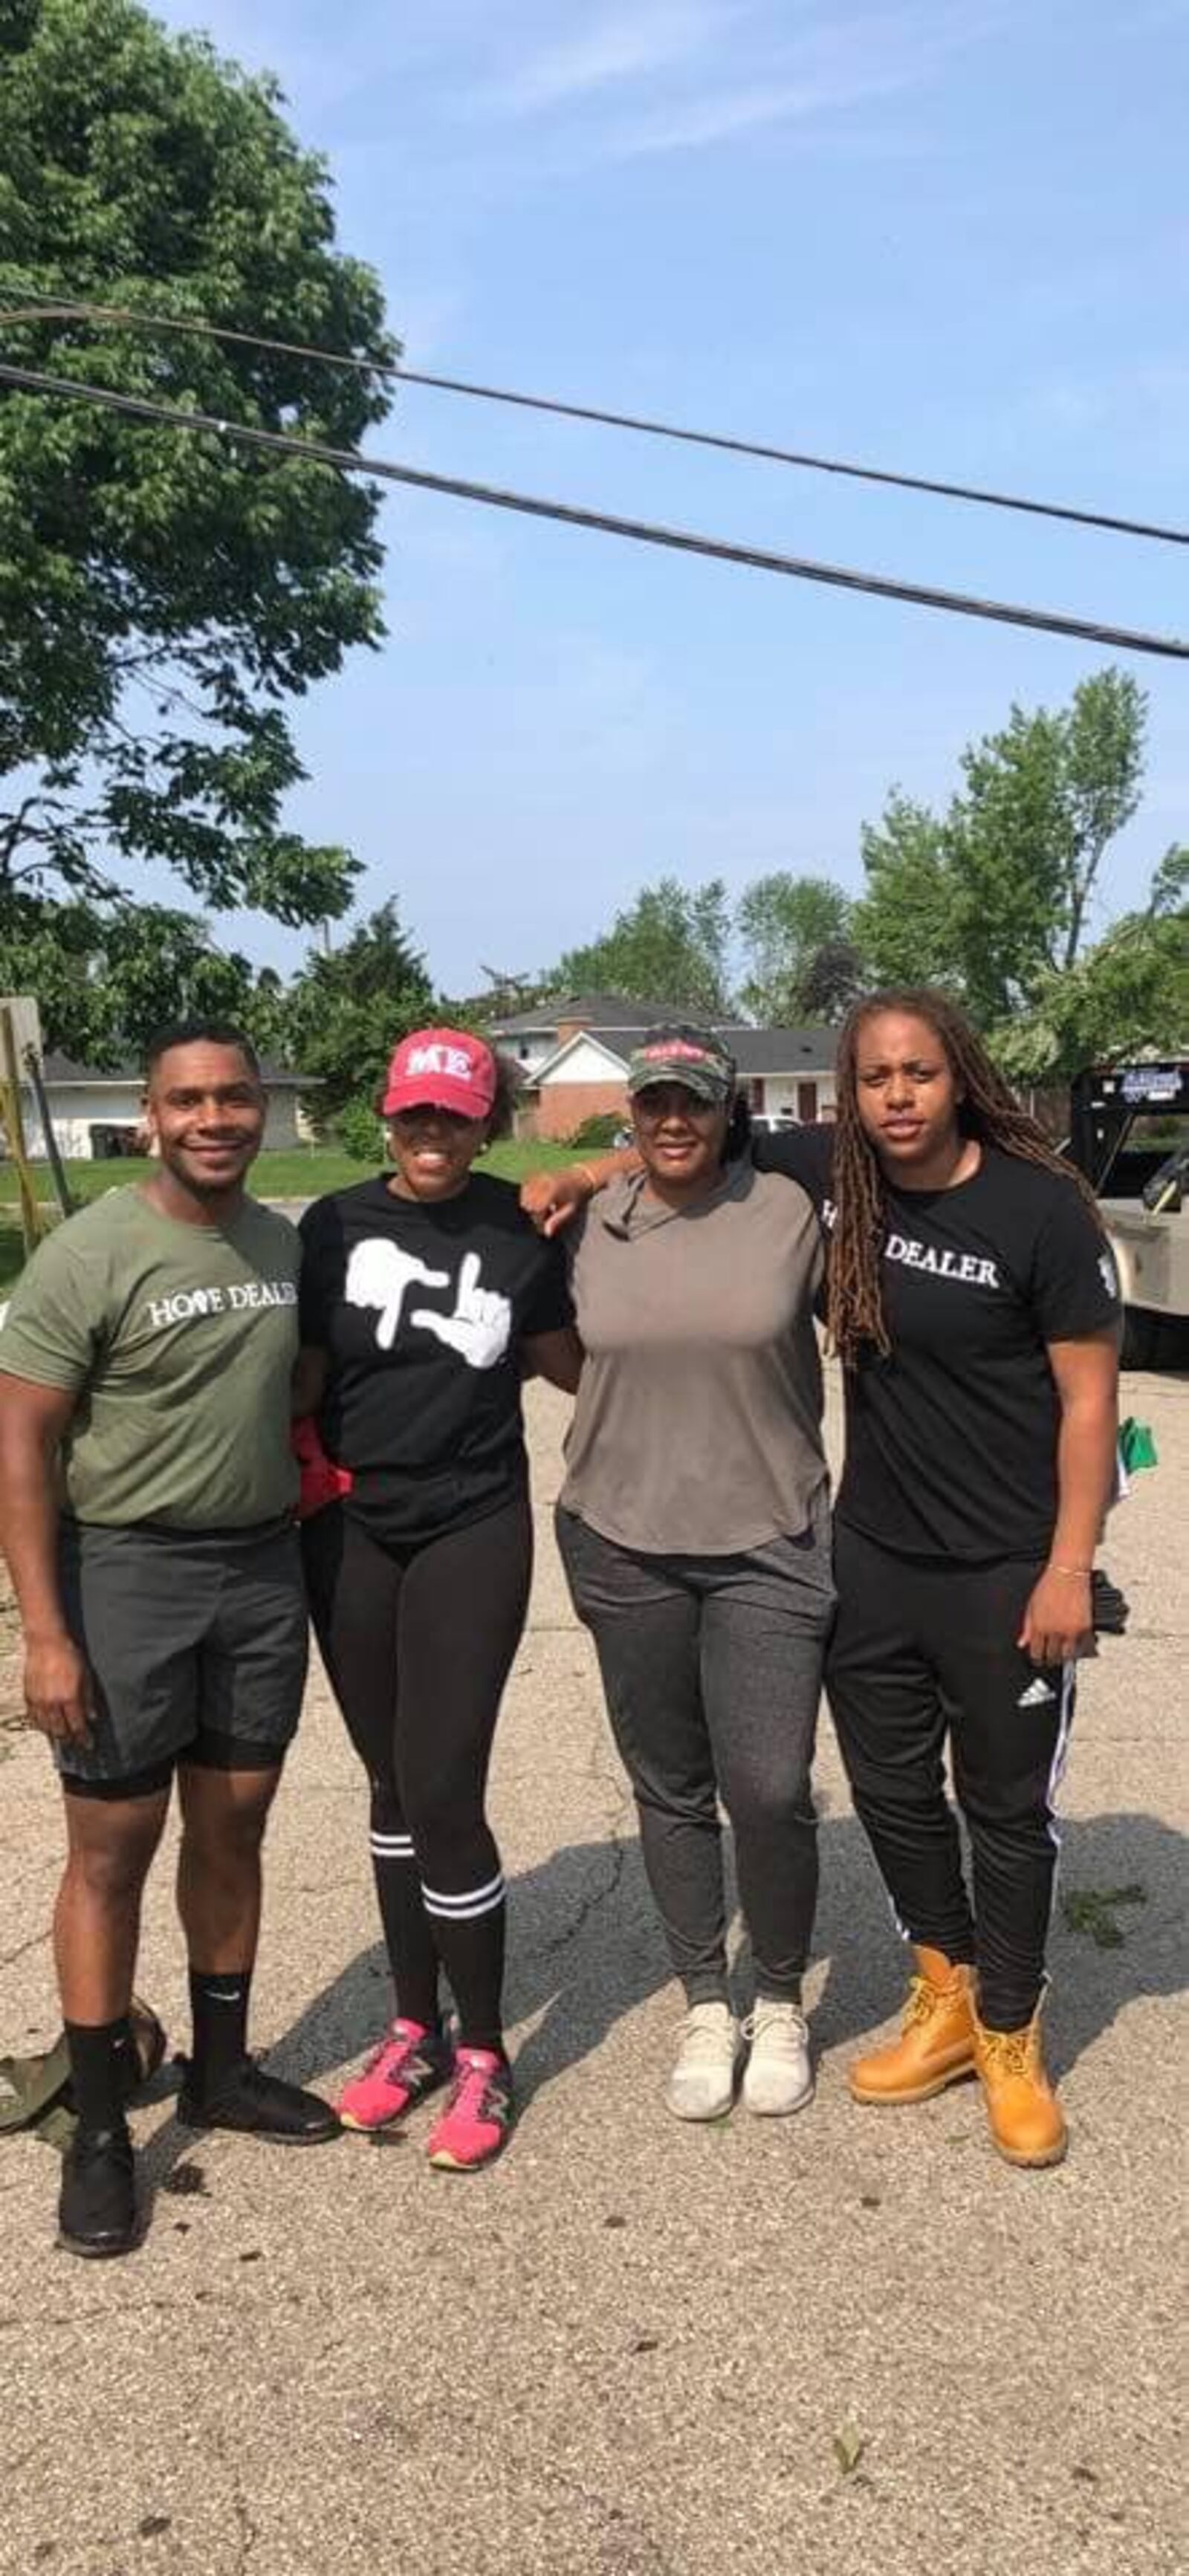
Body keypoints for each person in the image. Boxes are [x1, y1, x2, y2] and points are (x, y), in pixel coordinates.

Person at [525, 990, 1121, 2167]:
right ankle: (944, 1998)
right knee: (895, 1798)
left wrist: (1069, 1566)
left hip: (1008, 1561)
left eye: (920, 1075)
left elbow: (1092, 1400)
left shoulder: (1040, 1209)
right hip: (876, 1551)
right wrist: (582, 1179)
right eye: (874, 1080)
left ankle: (1010, 2031)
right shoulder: (833, 1171)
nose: (897, 1099)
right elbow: (678, 1139)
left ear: (963, 1078)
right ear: (846, 1095)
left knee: (1004, 1811)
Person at [0, 1022, 338, 2262]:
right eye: (187, 1101)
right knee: (112, 1846)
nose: (214, 1119)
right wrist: (46, 1632)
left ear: (264, 1109)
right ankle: (98, 2130)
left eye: (235, 1097)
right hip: (124, 1573)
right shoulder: (91, 1253)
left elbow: (296, 1383)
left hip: (255, 1570)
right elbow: (20, 1447)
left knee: (235, 1822)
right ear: (150, 1117)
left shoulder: (280, 1243)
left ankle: (222, 2071)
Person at [297, 1028, 579, 2171]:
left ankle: (484, 2053)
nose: (432, 1135)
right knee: (388, 1780)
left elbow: (572, 1362)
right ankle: (411, 2026)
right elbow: (307, 1372)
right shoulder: (333, 1227)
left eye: (455, 1118)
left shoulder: (525, 1226)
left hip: (472, 1522)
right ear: (387, 1116)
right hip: (354, 1522)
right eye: (416, 1115)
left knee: (445, 1784)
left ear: (486, 1124)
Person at [552, 1025, 834, 2123]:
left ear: (730, 1111)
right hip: (621, 1534)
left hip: (771, 1533)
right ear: (632, 1114)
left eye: (695, 1102)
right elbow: (550, 1348)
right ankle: (704, 2001)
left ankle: (779, 1998)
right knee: (669, 1784)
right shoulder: (586, 1223)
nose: (674, 1121)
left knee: (767, 1787)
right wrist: (583, 1172)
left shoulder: (787, 1210)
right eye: (654, 1103)